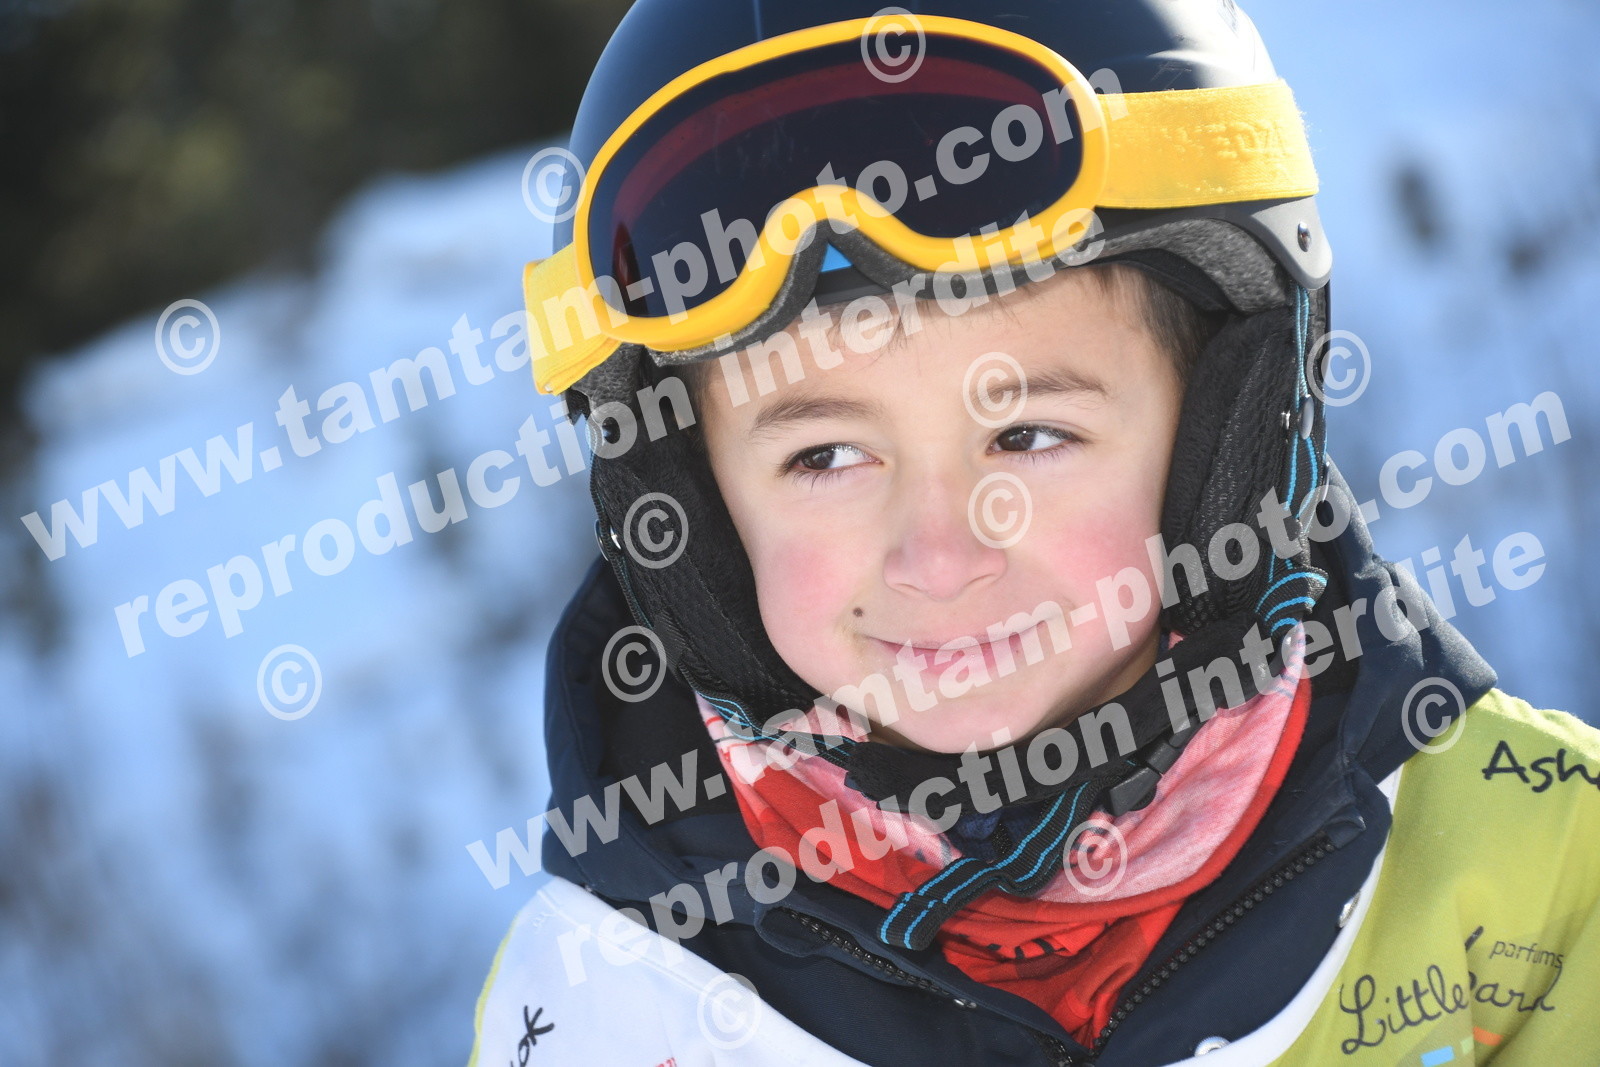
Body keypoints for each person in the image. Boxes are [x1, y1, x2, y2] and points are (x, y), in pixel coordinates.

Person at [469, 2, 1600, 1064]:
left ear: (1227, 440)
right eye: (825, 457)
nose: (940, 557)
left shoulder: (1545, 870)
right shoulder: (604, 1007)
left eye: (1028, 435)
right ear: (698, 514)